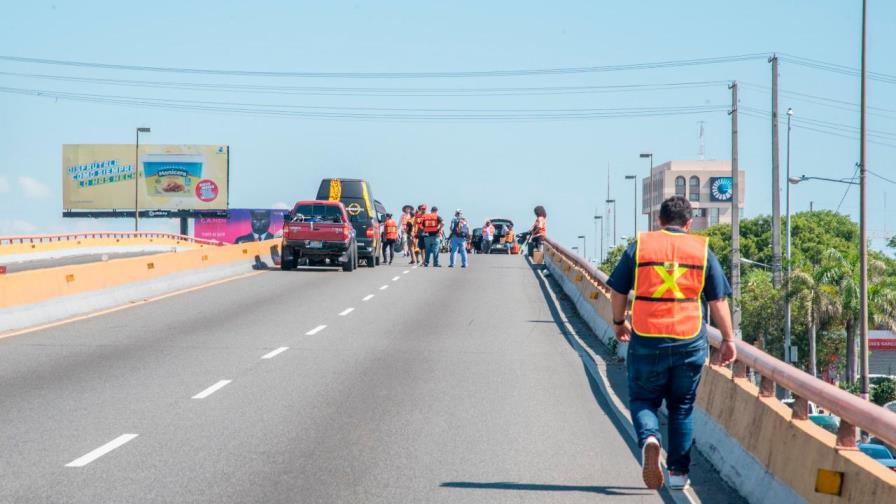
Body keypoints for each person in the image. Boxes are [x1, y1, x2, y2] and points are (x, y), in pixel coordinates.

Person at [606, 196, 736, 491]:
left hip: (647, 338)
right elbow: (717, 300)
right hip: (689, 340)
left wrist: (619, 322)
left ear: (659, 221)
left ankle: (650, 438)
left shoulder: (641, 246)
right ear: (689, 223)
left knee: (642, 399)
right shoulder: (701, 250)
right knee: (682, 407)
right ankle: (678, 474)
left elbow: (618, 290)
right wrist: (728, 340)